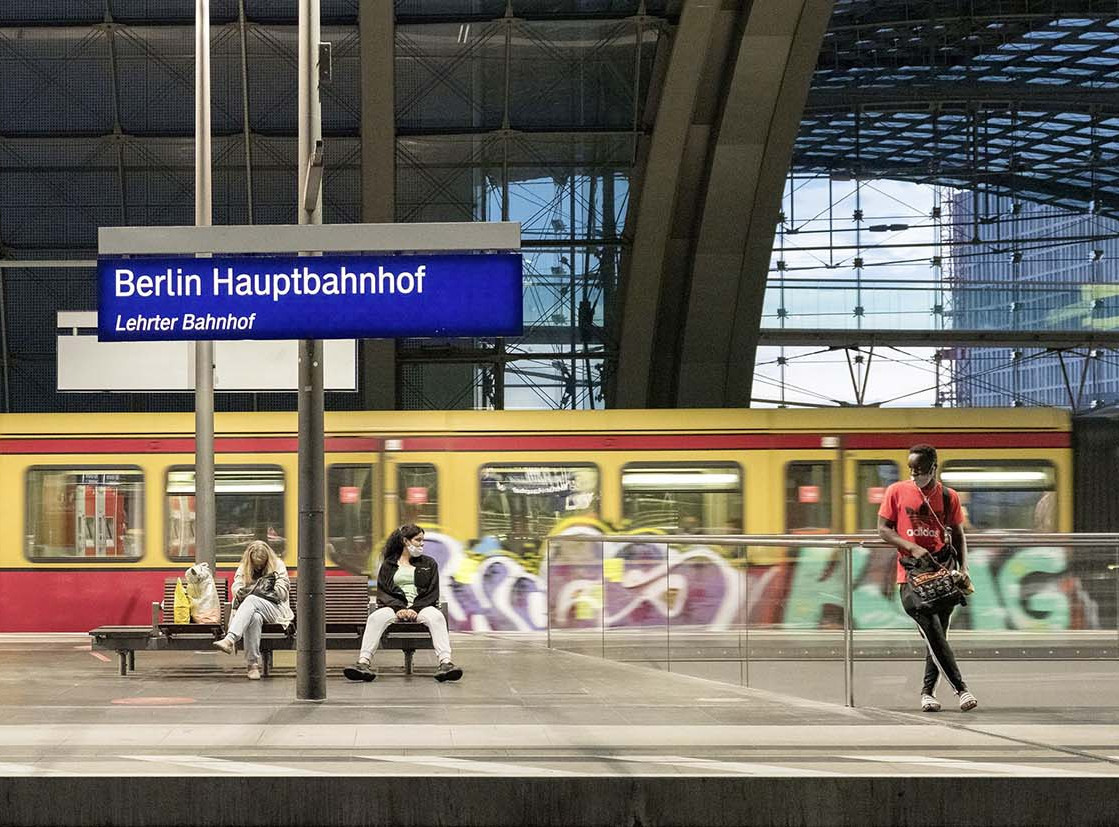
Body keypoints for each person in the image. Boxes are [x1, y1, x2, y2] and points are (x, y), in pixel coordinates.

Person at [877, 444, 978, 713]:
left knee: (938, 637)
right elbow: (882, 530)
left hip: (941, 576)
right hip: (909, 575)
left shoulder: (948, 496)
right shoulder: (896, 492)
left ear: (933, 467)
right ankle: (961, 689)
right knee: (932, 630)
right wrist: (910, 546)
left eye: (920, 469)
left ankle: (927, 693)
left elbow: (958, 535)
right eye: (910, 469)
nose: (914, 474)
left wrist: (963, 568)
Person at [344, 524, 463, 683]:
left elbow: (432, 592)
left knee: (437, 618)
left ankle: (446, 663)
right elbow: (383, 591)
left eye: (423, 540)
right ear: (405, 541)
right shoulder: (388, 565)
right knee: (375, 618)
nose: (422, 544)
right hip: (394, 607)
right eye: (418, 540)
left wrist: (415, 608)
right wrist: (398, 608)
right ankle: (363, 663)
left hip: (422, 607)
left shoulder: (429, 564)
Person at [212, 540, 293, 680]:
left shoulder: (278, 565)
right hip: (251, 611)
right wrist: (248, 590)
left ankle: (230, 639)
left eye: (262, 564)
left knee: (251, 600)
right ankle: (253, 665)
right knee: (254, 618)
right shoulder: (244, 567)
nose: (259, 567)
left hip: (275, 609)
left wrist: (262, 590)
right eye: (256, 565)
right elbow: (236, 589)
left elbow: (282, 592)